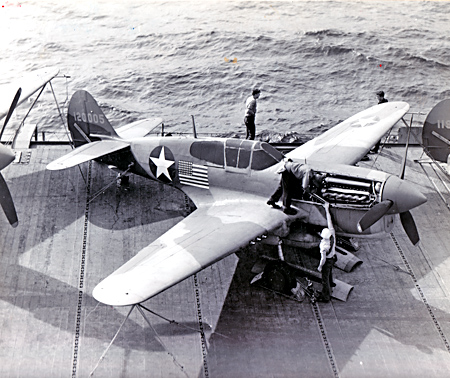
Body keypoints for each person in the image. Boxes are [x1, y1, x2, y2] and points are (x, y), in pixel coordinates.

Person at [316, 202, 337, 303]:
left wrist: (320, 266)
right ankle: (332, 284)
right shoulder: (332, 234)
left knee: (324, 279)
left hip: (327, 261)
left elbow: (323, 258)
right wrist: (327, 209)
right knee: (329, 274)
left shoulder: (324, 246)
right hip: (333, 257)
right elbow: (330, 222)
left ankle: (325, 296)